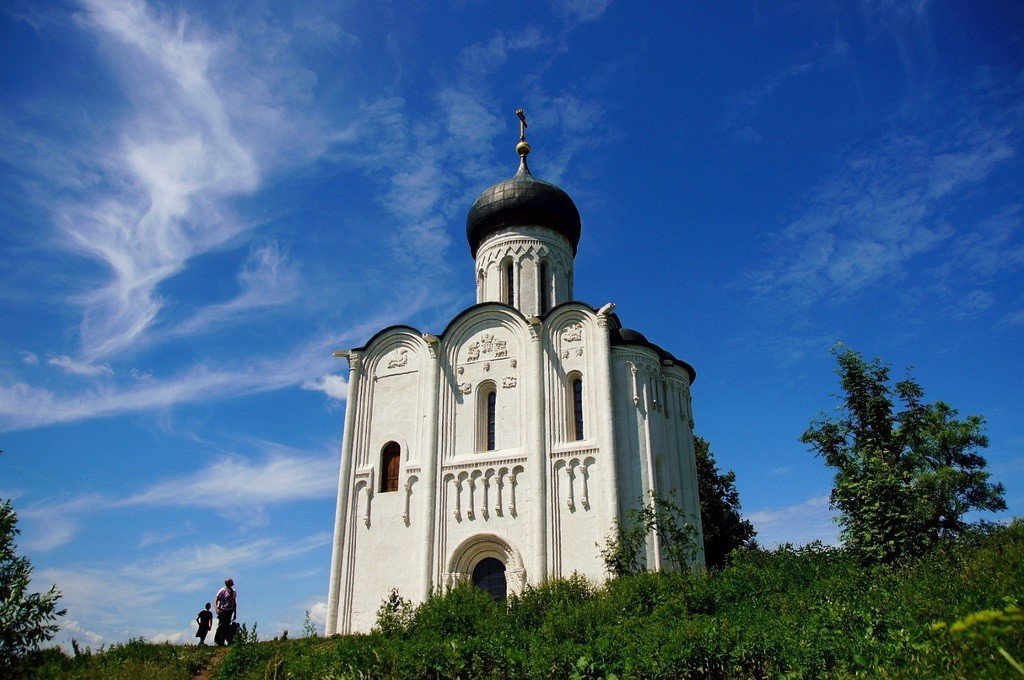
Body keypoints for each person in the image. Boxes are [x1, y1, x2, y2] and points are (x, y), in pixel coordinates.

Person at [213, 578, 237, 646]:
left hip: (230, 610)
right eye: (231, 581)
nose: (233, 582)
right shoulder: (222, 590)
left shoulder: (233, 591)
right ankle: (217, 640)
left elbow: (234, 602)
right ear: (228, 583)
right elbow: (216, 599)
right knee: (221, 625)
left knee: (227, 626)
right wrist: (216, 608)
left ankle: (223, 640)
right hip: (223, 610)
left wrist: (235, 612)